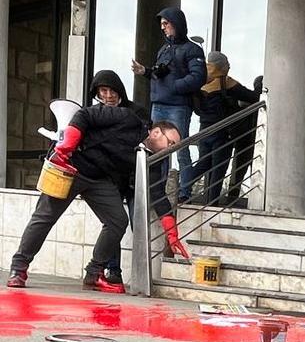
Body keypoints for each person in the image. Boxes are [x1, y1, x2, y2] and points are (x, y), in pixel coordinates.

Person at [7, 109, 181, 290]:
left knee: (118, 221)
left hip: (99, 179)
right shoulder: (127, 119)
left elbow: (157, 193)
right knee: (45, 216)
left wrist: (171, 232)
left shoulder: (153, 160)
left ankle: (94, 273)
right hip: (72, 165)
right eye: (171, 143)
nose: (171, 149)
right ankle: (18, 269)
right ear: (156, 132)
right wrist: (67, 146)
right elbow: (84, 116)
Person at [130, 8, 205, 203]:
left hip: (178, 106)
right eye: (161, 24)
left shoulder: (193, 49)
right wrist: (145, 71)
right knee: (156, 149)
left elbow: (198, 77)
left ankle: (185, 192)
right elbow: (159, 74)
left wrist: (175, 86)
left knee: (180, 149)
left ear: (176, 24)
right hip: (158, 104)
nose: (163, 28)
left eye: (166, 24)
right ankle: (156, 191)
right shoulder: (163, 50)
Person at [89, 70, 150, 287]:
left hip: (133, 179)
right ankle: (112, 270)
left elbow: (141, 141)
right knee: (113, 224)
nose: (107, 95)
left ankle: (143, 277)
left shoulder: (137, 112)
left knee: (138, 225)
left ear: (119, 90)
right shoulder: (95, 114)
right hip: (109, 179)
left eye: (111, 90)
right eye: (102, 91)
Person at [193, 52, 259, 205]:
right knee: (218, 170)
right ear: (221, 66)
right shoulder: (226, 82)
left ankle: (183, 186)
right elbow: (253, 97)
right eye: (227, 64)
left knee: (203, 164)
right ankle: (212, 204)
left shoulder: (200, 81)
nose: (229, 67)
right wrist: (260, 87)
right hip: (223, 133)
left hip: (203, 131)